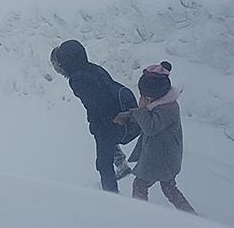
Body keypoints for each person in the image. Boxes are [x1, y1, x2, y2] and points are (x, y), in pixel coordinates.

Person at [50, 40, 135, 193]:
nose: (59, 69)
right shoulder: (93, 68)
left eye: (59, 64)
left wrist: (108, 119)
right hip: (116, 115)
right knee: (105, 146)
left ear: (66, 61)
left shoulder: (77, 79)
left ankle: (112, 197)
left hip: (108, 121)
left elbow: (97, 103)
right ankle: (121, 163)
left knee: (103, 163)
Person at [114, 62, 196, 214]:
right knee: (169, 187)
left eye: (146, 95)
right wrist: (127, 116)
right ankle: (191, 215)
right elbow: (147, 116)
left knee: (140, 185)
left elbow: (150, 127)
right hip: (163, 155)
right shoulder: (160, 101)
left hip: (162, 158)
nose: (145, 98)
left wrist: (140, 109)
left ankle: (140, 214)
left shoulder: (169, 108)